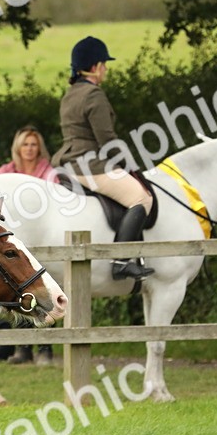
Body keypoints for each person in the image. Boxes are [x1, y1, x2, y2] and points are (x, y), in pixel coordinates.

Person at [52, 36, 154, 281]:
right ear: (95, 66)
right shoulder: (93, 95)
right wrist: (129, 165)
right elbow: (107, 139)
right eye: (104, 64)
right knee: (142, 198)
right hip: (90, 166)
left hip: (68, 163)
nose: (106, 69)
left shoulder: (70, 94)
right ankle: (121, 261)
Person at [0, 125, 55, 365]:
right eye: (25, 144)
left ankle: (46, 348)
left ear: (39, 148)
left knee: (44, 289)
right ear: (18, 148)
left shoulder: (49, 174)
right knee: (17, 291)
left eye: (33, 144)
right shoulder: (5, 175)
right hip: (16, 241)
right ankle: (24, 347)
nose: (29, 149)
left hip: (43, 237)